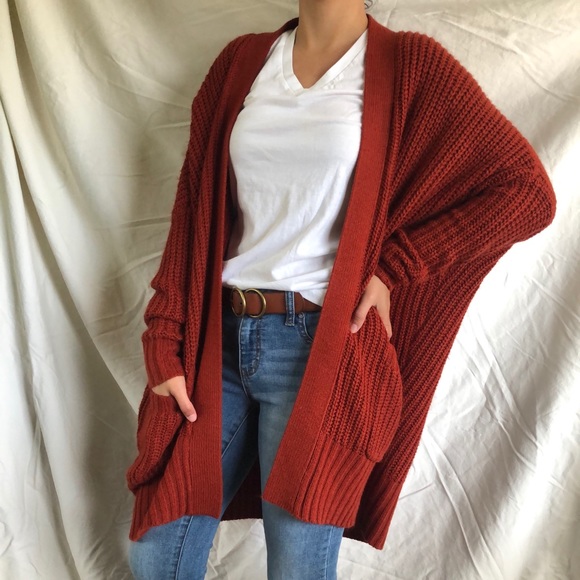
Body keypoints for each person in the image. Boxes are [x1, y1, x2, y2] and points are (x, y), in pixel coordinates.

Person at [125, 1, 557, 578]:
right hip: (216, 343)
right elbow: (192, 211)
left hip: (321, 354)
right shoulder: (240, 63)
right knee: (158, 554)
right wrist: (164, 334)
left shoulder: (411, 66)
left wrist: (395, 266)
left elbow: (526, 194)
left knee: (298, 566)